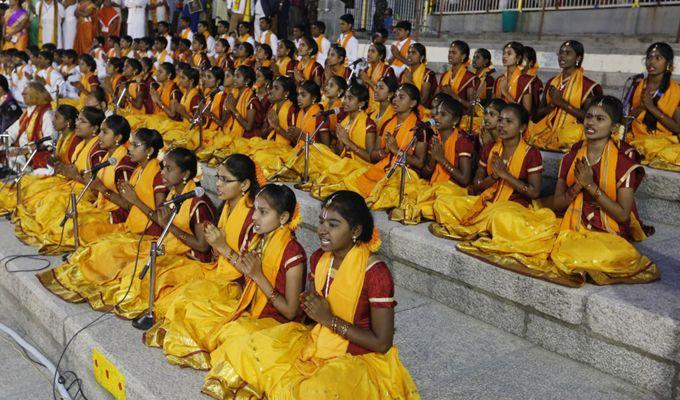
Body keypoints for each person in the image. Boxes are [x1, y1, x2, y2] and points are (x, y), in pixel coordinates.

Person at [201, 190, 419, 400]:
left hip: (357, 356)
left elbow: (382, 343)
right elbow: (306, 312)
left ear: (355, 231)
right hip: (316, 338)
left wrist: (329, 319)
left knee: (312, 391)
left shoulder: (376, 274)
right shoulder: (319, 258)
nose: (322, 230)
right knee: (243, 347)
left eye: (333, 225)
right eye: (321, 221)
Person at [145, 180, 306, 373]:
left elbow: (290, 311)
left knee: (233, 337)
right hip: (248, 309)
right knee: (194, 309)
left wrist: (258, 276)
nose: (254, 216)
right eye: (255, 210)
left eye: (263, 212)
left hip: (275, 326)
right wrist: (221, 247)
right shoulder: (260, 239)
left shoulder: (293, 254)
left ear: (283, 218)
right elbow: (246, 269)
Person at [37, 128, 165, 302]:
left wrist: (113, 193)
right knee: (95, 245)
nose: (130, 149)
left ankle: (85, 281)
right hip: (131, 226)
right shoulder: (140, 169)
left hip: (148, 235)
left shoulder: (157, 176)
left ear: (149, 151)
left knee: (104, 250)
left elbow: (156, 217)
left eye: (136, 145)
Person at [430, 103, 545, 241]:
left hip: (512, 208)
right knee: (442, 203)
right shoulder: (489, 148)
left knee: (499, 217)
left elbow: (534, 192)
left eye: (509, 121)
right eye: (501, 120)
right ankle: (485, 228)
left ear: (522, 127)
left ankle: (485, 227)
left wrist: (506, 175)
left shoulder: (532, 154)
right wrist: (493, 178)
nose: (502, 125)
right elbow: (476, 184)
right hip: (486, 203)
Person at [525, 41, 602, 152]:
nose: (562, 56)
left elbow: (589, 118)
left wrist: (561, 103)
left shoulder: (587, 86)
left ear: (578, 58)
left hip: (571, 133)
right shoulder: (552, 82)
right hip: (548, 129)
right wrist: (551, 105)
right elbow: (537, 115)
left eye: (568, 53)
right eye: (561, 53)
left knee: (572, 135)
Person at [0, 103, 76, 215]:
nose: (53, 121)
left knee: (32, 190)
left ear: (67, 122)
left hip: (67, 183)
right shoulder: (60, 137)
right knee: (25, 184)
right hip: (57, 177)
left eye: (57, 117)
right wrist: (51, 160)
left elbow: (73, 168)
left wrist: (58, 165)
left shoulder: (73, 140)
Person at [628, 42, 680, 171]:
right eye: (649, 57)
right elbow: (626, 118)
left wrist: (651, 108)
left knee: (661, 149)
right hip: (635, 136)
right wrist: (640, 108)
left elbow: (677, 127)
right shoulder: (637, 85)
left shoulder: (677, 90)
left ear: (668, 64)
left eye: (658, 58)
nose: (652, 62)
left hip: (661, 140)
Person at [493, 42, 535, 115]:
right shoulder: (499, 79)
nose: (504, 56)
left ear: (518, 58)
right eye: (504, 53)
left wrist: (506, 93)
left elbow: (526, 113)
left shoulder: (525, 80)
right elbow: (493, 106)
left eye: (509, 54)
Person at [400, 43, 437, 109]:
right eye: (409, 52)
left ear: (422, 57)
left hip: (421, 111)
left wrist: (410, 81)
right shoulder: (405, 72)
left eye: (413, 53)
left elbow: (423, 100)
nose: (410, 55)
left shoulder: (427, 74)